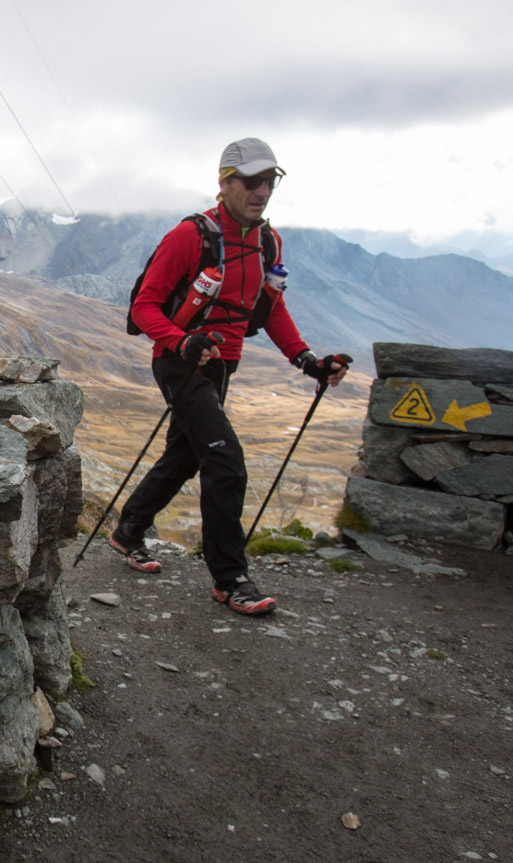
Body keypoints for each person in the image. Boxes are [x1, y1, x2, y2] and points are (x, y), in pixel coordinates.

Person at [108, 137, 348, 616]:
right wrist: (182, 341)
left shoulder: (268, 241)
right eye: (251, 181)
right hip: (179, 361)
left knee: (185, 454)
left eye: (270, 181)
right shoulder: (190, 235)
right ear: (225, 183)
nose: (262, 191)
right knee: (225, 459)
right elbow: (143, 308)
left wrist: (307, 360)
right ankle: (230, 578)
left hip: (224, 362)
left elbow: (271, 311)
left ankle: (127, 532)